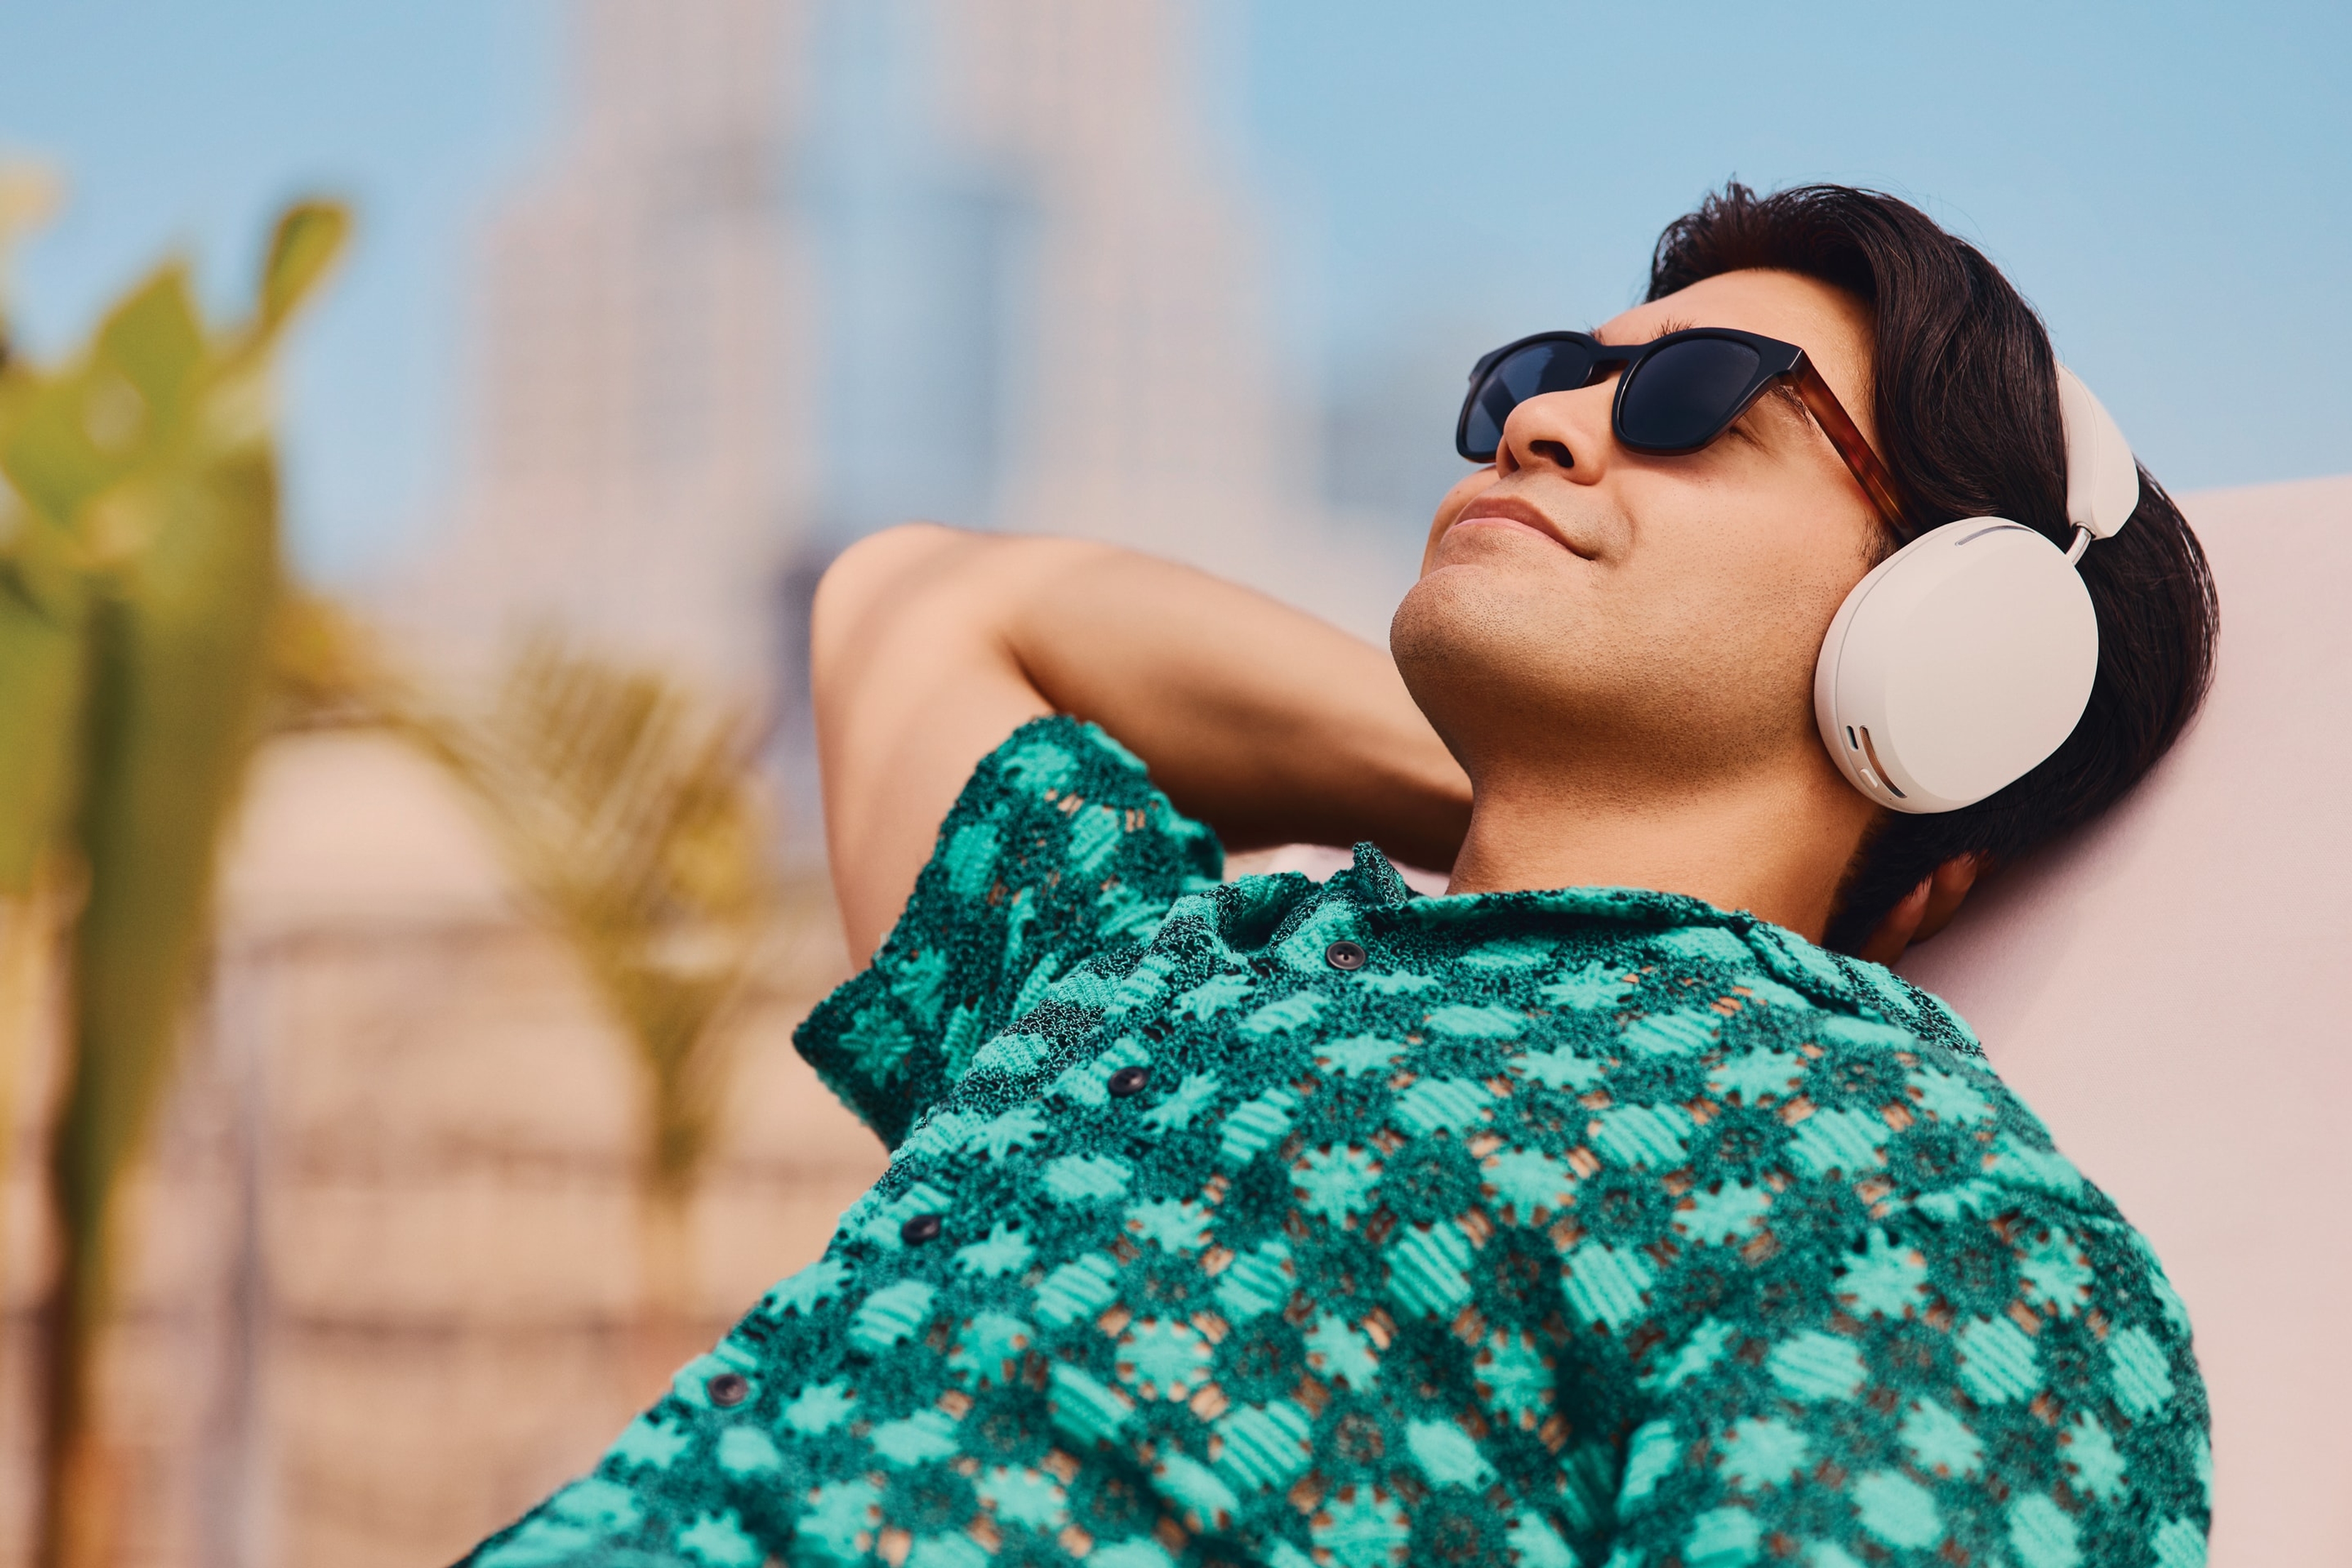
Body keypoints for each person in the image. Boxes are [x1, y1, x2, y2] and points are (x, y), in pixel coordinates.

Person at [464, 184, 2216, 1568]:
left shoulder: (1913, 1215)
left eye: (1699, 402)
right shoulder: (1154, 975)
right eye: (1542, 379)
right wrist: (1533, 805)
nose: (1540, 431)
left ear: (1953, 652)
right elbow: (920, 608)